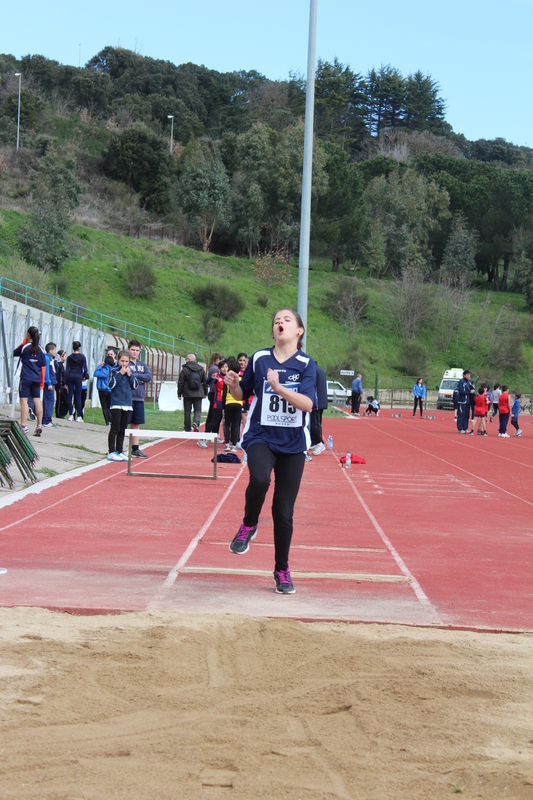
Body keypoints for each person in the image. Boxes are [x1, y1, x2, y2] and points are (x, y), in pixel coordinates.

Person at [225, 308, 315, 595]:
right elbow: (243, 394)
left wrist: (278, 387)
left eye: (287, 319)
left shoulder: (307, 364)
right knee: (260, 479)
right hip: (261, 434)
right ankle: (249, 524)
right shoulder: (260, 358)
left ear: (299, 331)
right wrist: (236, 385)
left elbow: (308, 404)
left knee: (283, 511)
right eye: (277, 319)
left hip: (293, 443)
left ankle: (282, 570)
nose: (280, 322)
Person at [13, 326, 46, 436]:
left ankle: (24, 426)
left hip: (26, 378)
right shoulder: (41, 349)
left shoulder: (24, 347)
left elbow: (15, 352)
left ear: (28, 334)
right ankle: (39, 424)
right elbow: (43, 364)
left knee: (24, 401)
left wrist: (25, 341)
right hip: (36, 378)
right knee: (37, 401)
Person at [107, 350, 138, 461]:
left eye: (126, 361)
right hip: (116, 404)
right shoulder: (113, 370)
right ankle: (111, 451)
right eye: (122, 361)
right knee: (115, 428)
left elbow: (135, 386)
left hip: (127, 404)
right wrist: (120, 374)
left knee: (122, 429)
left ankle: (120, 451)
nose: (124, 364)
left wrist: (129, 375)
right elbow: (111, 385)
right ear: (118, 360)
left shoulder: (131, 371)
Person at [127, 340, 152, 458]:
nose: (135, 352)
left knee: (136, 424)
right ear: (128, 350)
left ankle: (135, 449)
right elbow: (125, 376)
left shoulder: (142, 365)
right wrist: (139, 379)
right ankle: (118, 448)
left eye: (137, 350)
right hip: (127, 398)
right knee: (123, 423)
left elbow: (148, 377)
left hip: (139, 398)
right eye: (133, 350)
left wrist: (135, 375)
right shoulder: (125, 363)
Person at [198, 359, 228, 448]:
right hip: (218, 401)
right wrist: (211, 377)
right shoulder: (217, 377)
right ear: (219, 368)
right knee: (214, 421)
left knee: (218, 421)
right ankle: (202, 439)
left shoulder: (229, 377)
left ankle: (215, 437)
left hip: (226, 402)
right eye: (222, 367)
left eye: (226, 367)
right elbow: (207, 382)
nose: (224, 369)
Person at [178, 353, 208, 433]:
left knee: (187, 411)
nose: (186, 360)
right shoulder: (201, 369)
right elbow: (205, 381)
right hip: (198, 392)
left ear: (189, 359)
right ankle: (196, 423)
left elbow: (180, 382)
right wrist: (205, 392)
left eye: (186, 359)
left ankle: (187, 428)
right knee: (197, 410)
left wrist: (179, 393)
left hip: (187, 393)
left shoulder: (185, 369)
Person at [223, 357, 243, 452]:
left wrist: (223, 407)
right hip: (238, 403)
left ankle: (227, 444)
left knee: (227, 424)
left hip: (228, 403)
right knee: (236, 425)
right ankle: (234, 445)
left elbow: (223, 394)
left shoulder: (227, 380)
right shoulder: (241, 379)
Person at [66, 341, 88, 422]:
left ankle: (71, 415)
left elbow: (67, 369)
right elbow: (85, 369)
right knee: (78, 396)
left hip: (70, 376)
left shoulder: (69, 357)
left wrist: (66, 381)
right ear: (79, 348)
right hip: (78, 376)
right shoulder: (82, 357)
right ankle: (79, 416)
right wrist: (84, 376)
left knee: (70, 395)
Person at [309, 362, 328, 456]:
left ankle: (319, 443)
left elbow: (312, 386)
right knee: (315, 422)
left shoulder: (313, 370)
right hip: (320, 400)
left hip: (317, 402)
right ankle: (315, 442)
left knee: (315, 423)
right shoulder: (319, 369)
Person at [205, 353, 223, 435]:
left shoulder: (216, 370)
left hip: (217, 396)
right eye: (223, 363)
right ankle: (208, 434)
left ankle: (213, 434)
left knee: (215, 417)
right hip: (215, 395)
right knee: (214, 417)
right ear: (218, 360)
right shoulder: (215, 369)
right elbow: (209, 382)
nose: (225, 368)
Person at [94, 355, 114, 425]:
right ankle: (111, 420)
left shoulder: (102, 369)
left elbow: (95, 374)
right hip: (110, 390)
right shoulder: (112, 370)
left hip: (102, 390)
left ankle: (107, 421)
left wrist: (99, 366)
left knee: (104, 406)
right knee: (109, 406)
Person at [42, 342, 58, 428]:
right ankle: (46, 420)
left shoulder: (51, 359)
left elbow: (56, 370)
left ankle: (47, 419)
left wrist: (56, 361)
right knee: (49, 401)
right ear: (50, 350)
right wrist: (48, 383)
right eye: (55, 350)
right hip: (49, 383)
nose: (56, 351)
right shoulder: (46, 358)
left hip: (52, 381)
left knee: (50, 400)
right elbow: (46, 372)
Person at [456, 370, 475, 434]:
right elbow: (461, 391)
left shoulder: (469, 382)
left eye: (469, 375)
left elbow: (472, 389)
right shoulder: (461, 382)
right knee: (461, 415)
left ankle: (465, 427)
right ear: (464, 375)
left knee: (467, 415)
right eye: (467, 375)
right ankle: (460, 428)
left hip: (468, 401)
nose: (469, 376)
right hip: (462, 401)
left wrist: (473, 390)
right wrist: (469, 392)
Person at [55, 350, 68, 419]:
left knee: (66, 401)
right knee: (59, 400)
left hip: (63, 386)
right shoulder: (59, 365)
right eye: (65, 356)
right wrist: (59, 386)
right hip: (60, 386)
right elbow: (58, 377)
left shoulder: (62, 366)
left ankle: (62, 414)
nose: (66, 357)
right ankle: (58, 414)